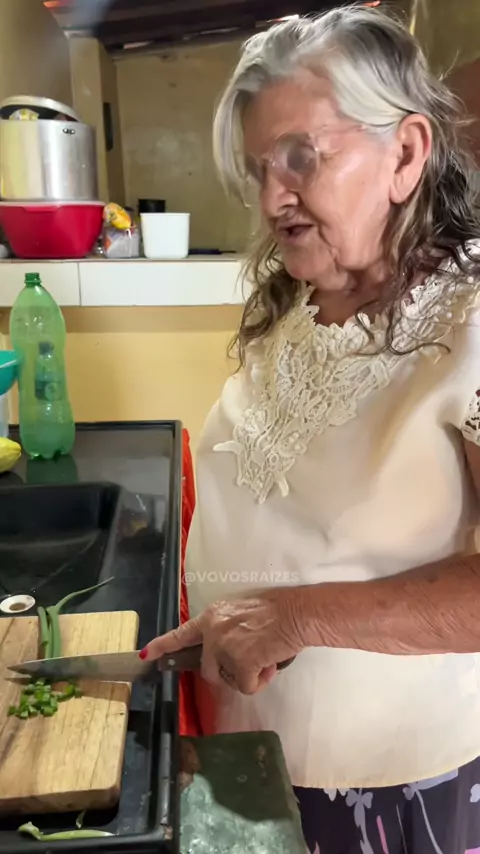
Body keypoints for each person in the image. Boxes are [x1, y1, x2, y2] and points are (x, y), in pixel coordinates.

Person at [141, 7, 480, 853]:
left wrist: (293, 617)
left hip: (384, 788)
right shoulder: (301, 292)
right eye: (260, 168)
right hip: (249, 744)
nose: (271, 198)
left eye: (302, 157)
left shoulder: (471, 323)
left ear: (406, 153)